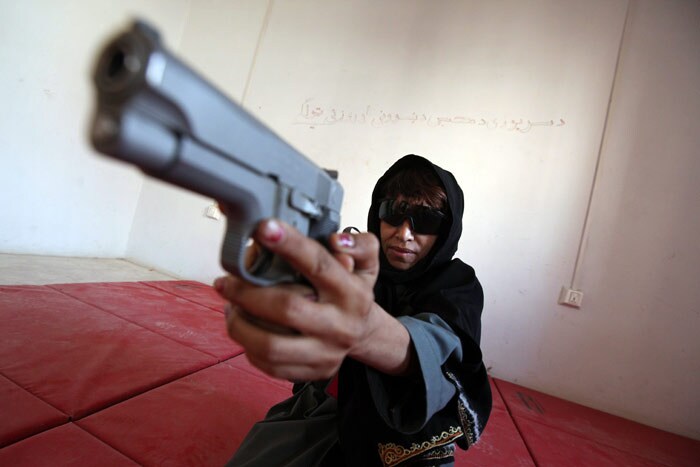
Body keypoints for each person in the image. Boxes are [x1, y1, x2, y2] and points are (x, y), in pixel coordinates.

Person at [214, 154, 491, 466]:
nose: (404, 233)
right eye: (394, 212)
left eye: (426, 220)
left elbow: (440, 349)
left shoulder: (458, 285)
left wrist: (361, 330)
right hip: (323, 412)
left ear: (447, 229)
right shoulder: (352, 264)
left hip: (409, 447)